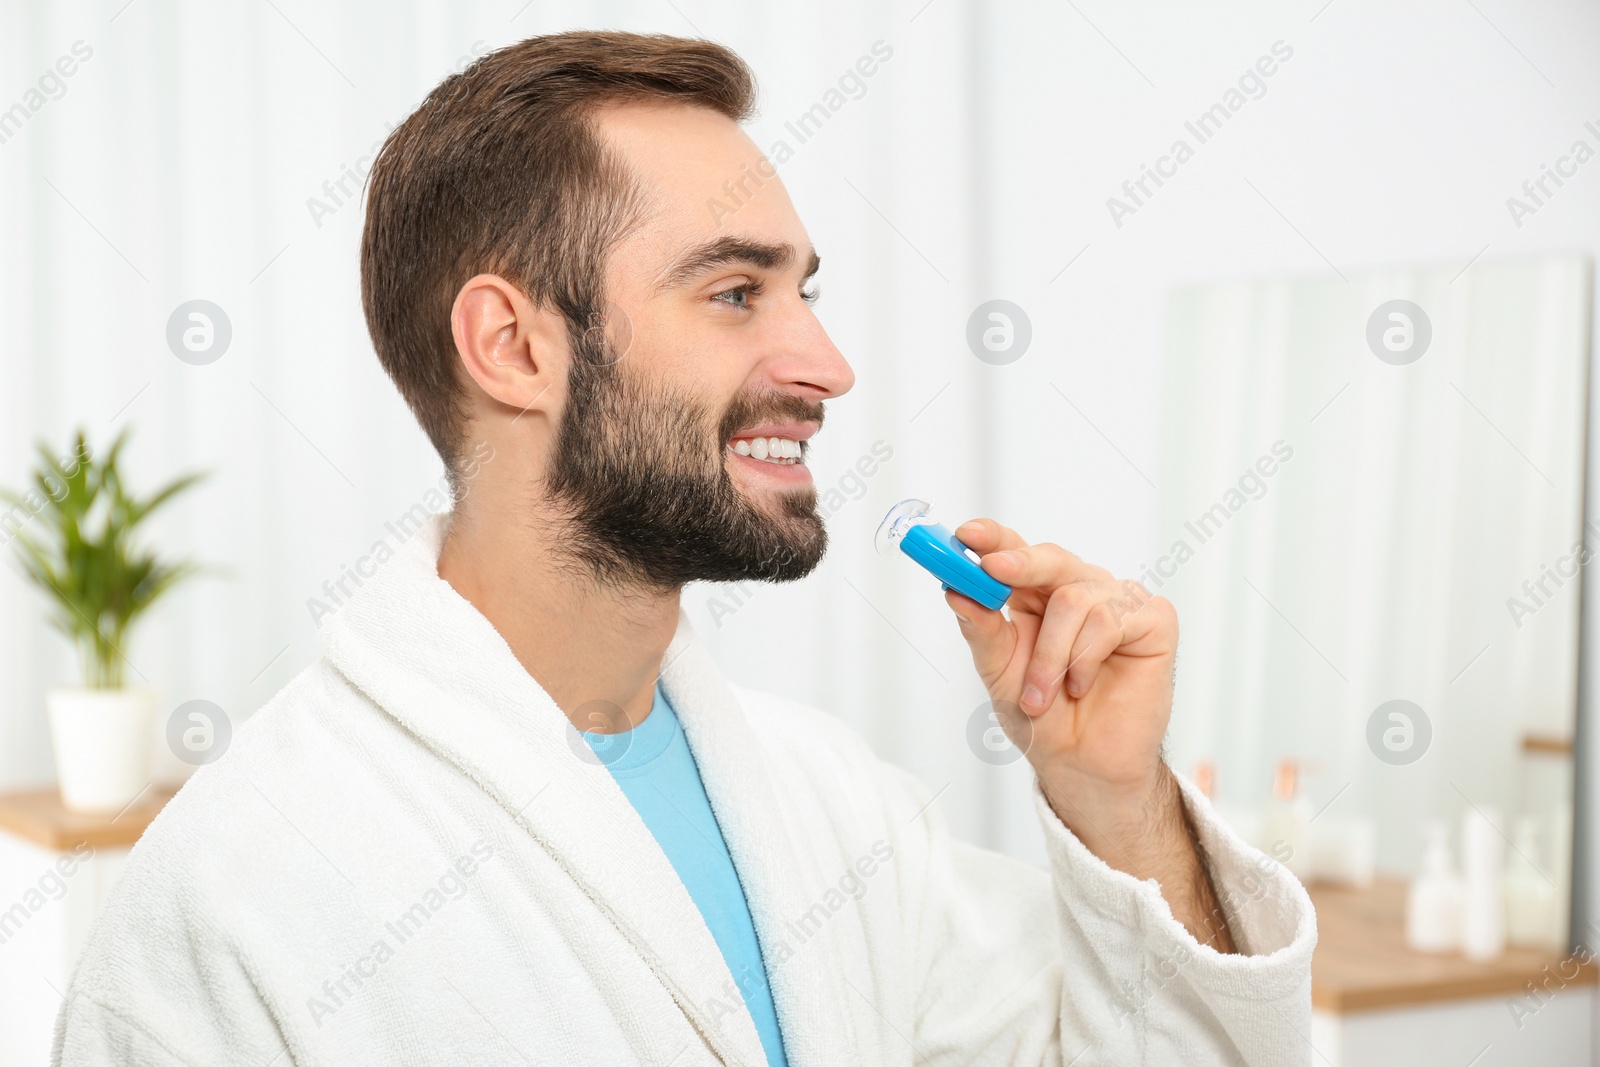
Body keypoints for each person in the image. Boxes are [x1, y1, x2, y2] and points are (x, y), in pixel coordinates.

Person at [55, 30, 1314, 1067]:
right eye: (732, 291)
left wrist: (1117, 805)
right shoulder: (233, 896)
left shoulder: (839, 809)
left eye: (803, 290)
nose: (826, 365)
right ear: (512, 346)